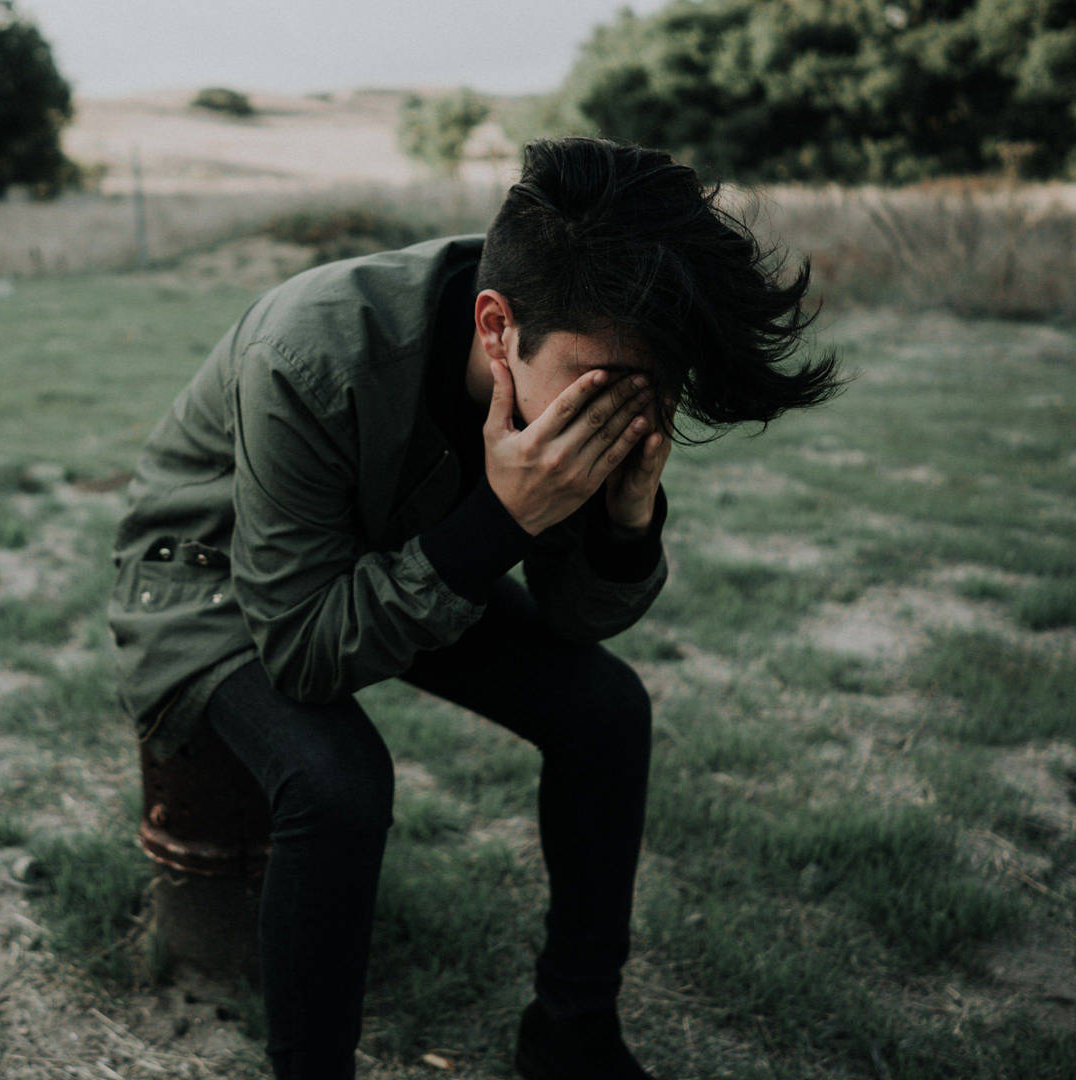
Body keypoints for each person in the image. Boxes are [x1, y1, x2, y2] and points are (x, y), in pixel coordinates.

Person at [107, 135, 849, 1079]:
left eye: (657, 390)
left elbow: (576, 621)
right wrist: (501, 520)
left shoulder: (587, 330)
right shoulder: (311, 349)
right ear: (496, 328)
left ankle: (572, 1034)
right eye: (607, 388)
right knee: (336, 782)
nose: (631, 413)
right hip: (213, 579)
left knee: (607, 711)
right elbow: (301, 652)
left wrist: (625, 525)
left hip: (396, 556)